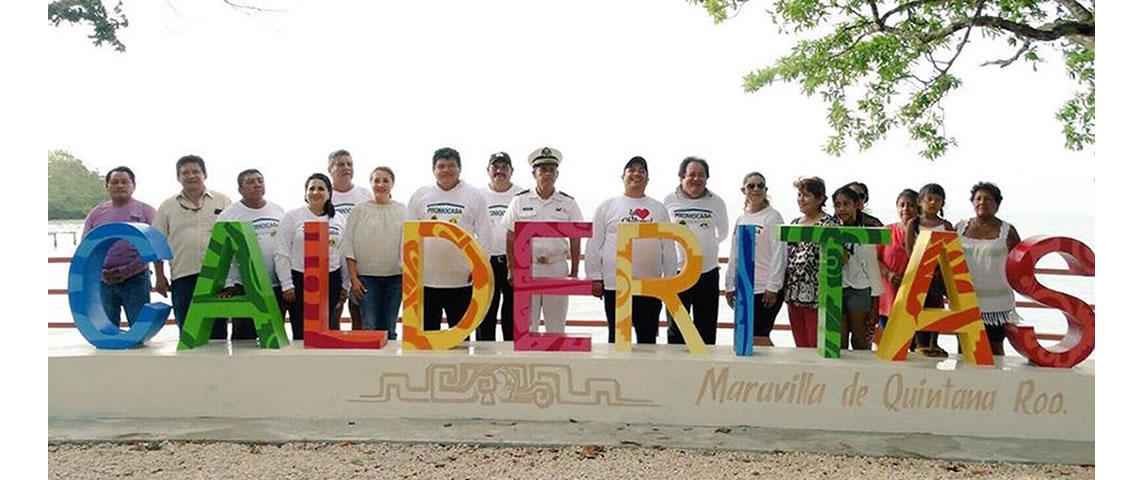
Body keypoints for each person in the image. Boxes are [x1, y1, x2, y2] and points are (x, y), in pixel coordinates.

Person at [585, 156, 678, 344]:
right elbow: (594, 243)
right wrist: (595, 277)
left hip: (650, 287)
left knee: (648, 338)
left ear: (647, 179)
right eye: (632, 170)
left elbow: (667, 247)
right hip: (616, 285)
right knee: (618, 339)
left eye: (641, 171)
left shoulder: (658, 208)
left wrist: (670, 282)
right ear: (623, 176)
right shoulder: (607, 206)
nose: (637, 174)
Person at [406, 147, 492, 333]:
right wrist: (409, 270)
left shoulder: (474, 195)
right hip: (426, 280)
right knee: (427, 337)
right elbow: (407, 235)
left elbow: (485, 234)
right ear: (433, 170)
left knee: (460, 338)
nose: (446, 170)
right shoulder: (420, 195)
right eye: (441, 166)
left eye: (451, 165)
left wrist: (479, 268)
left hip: (461, 280)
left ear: (460, 168)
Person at [503, 147, 584, 336]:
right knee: (527, 327)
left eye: (551, 170)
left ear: (557, 173)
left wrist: (573, 271)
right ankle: (530, 365)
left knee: (555, 327)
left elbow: (576, 237)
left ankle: (555, 364)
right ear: (534, 173)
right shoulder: (519, 201)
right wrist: (512, 268)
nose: (547, 174)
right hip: (527, 267)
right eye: (542, 170)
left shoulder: (568, 203)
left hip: (556, 267)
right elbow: (510, 236)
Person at [154, 155, 233, 335]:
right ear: (178, 177)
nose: (191, 176)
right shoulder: (167, 206)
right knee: (187, 330)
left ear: (204, 174)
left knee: (217, 332)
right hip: (182, 275)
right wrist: (159, 276)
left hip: (216, 276)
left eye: (196, 171)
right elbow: (157, 243)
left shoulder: (223, 201)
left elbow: (233, 239)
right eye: (185, 173)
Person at [662, 157, 729, 345]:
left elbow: (722, 233)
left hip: (707, 273)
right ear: (681, 177)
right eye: (691, 175)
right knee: (677, 328)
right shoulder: (668, 201)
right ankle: (677, 372)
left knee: (706, 328)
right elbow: (661, 235)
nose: (696, 179)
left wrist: (704, 245)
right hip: (677, 273)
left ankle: (705, 372)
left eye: (701, 175)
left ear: (707, 178)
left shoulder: (717, 202)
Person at [81, 166, 157, 329]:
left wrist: (125, 272)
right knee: (106, 330)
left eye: (124, 182)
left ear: (133, 185)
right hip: (103, 281)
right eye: (114, 182)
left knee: (139, 331)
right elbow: (86, 247)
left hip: (136, 279)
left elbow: (155, 246)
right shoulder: (96, 213)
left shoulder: (146, 211)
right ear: (107, 186)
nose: (120, 186)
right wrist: (100, 273)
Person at [274, 173, 348, 340]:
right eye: (311, 188)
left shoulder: (339, 219)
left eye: (321, 188)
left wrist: (345, 284)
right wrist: (287, 284)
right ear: (305, 193)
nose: (316, 192)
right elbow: (281, 251)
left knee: (326, 331)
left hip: (331, 280)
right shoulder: (292, 217)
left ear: (329, 193)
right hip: (300, 280)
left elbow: (343, 252)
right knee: (302, 332)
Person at [216, 169, 286, 340]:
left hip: (275, 285)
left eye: (260, 180)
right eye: (250, 182)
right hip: (245, 286)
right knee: (244, 341)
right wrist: (229, 284)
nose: (257, 184)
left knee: (274, 338)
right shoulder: (229, 215)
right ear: (240, 189)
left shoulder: (278, 210)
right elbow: (221, 254)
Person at [956, 182, 1022, 356]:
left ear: (997, 204)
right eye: (978, 198)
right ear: (972, 202)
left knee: (995, 348)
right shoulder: (960, 228)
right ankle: (964, 384)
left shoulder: (1007, 231)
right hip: (964, 298)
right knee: (965, 349)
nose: (982, 202)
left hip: (996, 303)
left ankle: (998, 383)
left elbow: (1020, 263)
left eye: (988, 199)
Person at [343, 167, 406, 340]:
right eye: (376, 180)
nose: (381, 184)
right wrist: (354, 279)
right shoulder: (359, 210)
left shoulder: (403, 210)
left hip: (395, 278)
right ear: (371, 183)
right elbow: (348, 246)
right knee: (369, 328)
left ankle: (390, 367)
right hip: (366, 279)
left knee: (390, 329)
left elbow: (408, 246)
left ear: (393, 183)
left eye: (386, 180)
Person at [724, 172, 786, 347]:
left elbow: (779, 253)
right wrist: (730, 285)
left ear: (766, 190)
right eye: (751, 186)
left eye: (761, 186)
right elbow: (734, 254)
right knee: (743, 338)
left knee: (760, 337)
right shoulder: (741, 218)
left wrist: (773, 287)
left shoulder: (773, 217)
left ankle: (771, 374)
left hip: (765, 290)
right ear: (744, 190)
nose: (756, 189)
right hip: (744, 288)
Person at [783, 176, 839, 348]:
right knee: (800, 345)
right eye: (799, 195)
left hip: (817, 296)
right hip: (793, 294)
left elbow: (839, 258)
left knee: (815, 344)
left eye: (806, 195)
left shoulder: (829, 223)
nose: (801, 199)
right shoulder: (794, 223)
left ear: (820, 198)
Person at [478, 152, 525, 341]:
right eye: (495, 167)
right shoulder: (478, 195)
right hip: (486, 260)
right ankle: (483, 357)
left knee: (513, 313)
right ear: (488, 171)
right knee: (485, 310)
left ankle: (512, 355)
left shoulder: (522, 195)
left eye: (504, 167)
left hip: (514, 261)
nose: (500, 171)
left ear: (511, 171)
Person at [905, 183, 955, 358]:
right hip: (919, 271)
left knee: (937, 306)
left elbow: (950, 249)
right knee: (918, 306)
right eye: (929, 199)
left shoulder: (946, 225)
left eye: (938, 200)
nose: (933, 203)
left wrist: (940, 270)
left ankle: (934, 343)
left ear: (943, 204)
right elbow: (909, 249)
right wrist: (920, 267)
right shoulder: (914, 223)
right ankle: (920, 343)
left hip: (940, 274)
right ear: (920, 201)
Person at [832, 186, 883, 350]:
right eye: (837, 205)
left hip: (860, 289)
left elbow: (873, 269)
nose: (842, 209)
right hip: (836, 288)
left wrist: (876, 305)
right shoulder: (830, 231)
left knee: (860, 338)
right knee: (838, 341)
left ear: (856, 205)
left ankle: (863, 375)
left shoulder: (866, 232)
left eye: (846, 204)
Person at [328, 149, 371, 331]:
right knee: (333, 313)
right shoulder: (323, 193)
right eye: (340, 164)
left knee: (358, 311)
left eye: (349, 164)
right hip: (333, 264)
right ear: (330, 169)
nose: (346, 168)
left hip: (358, 262)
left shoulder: (364, 194)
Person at [876, 189, 919, 333]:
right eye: (902, 205)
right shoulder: (887, 231)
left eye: (911, 205)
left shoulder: (924, 232)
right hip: (889, 297)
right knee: (890, 346)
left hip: (916, 296)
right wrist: (889, 274)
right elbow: (875, 259)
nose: (906, 209)